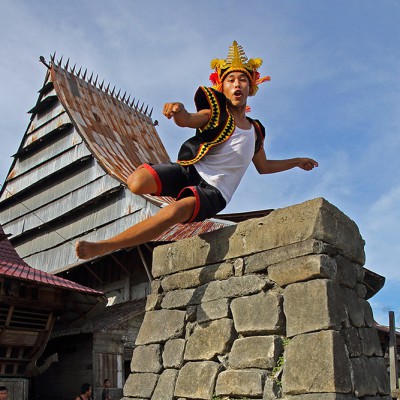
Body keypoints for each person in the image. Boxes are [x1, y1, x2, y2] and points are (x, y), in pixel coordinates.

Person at [75, 40, 318, 260]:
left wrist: (296, 161)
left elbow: (264, 167)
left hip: (214, 192)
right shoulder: (215, 113)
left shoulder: (255, 130)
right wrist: (178, 111)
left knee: (173, 212)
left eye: (242, 80)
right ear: (222, 87)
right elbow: (190, 119)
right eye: (231, 80)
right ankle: (171, 192)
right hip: (191, 170)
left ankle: (105, 246)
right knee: (136, 182)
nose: (237, 85)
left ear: (250, 86)